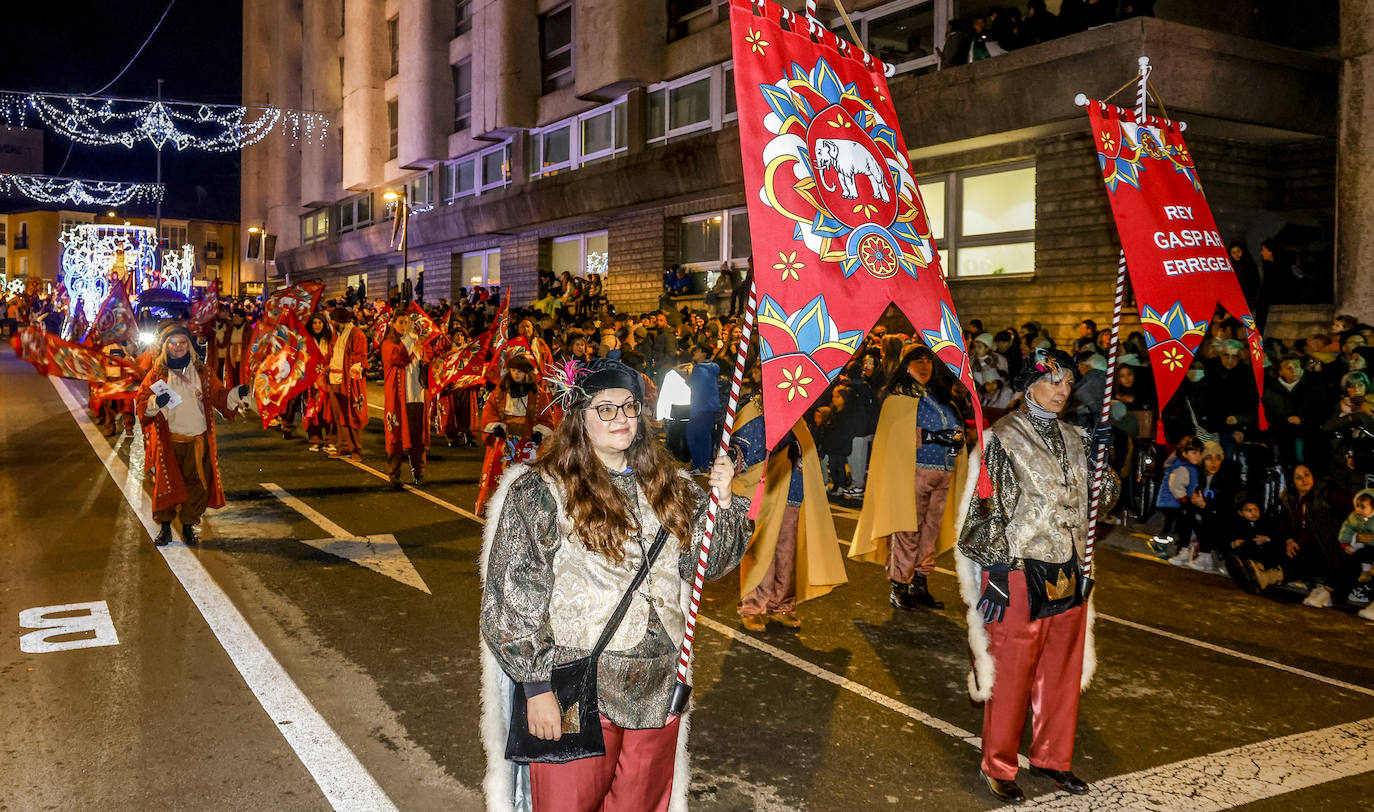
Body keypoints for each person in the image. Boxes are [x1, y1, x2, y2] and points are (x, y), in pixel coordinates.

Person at [479, 358, 752, 812]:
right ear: (579, 418)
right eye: (605, 409)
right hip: (577, 684)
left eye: (629, 407)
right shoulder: (541, 490)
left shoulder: (672, 486)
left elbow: (706, 564)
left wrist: (722, 505)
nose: (621, 418)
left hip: (658, 684)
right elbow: (513, 594)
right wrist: (535, 688)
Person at [956, 347, 1117, 804]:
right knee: (1011, 673)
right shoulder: (1003, 438)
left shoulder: (1077, 437)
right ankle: (999, 764)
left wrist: (1106, 461)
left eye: (1069, 383)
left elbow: (1101, 505)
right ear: (1029, 386)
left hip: (1070, 566)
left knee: (1061, 670)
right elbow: (986, 509)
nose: (1063, 391)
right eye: (1054, 382)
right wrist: (997, 574)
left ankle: (1051, 757)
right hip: (1020, 567)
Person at [851, 346, 967, 611]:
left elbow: (956, 428)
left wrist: (957, 438)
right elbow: (900, 437)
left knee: (930, 532)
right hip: (912, 473)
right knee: (907, 531)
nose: (925, 365)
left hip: (943, 473)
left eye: (929, 361)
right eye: (918, 361)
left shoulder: (941, 397)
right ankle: (899, 585)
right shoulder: (898, 400)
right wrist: (934, 436)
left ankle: (920, 582)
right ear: (905, 365)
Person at [731, 370, 847, 632]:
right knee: (762, 550)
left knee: (787, 551)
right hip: (766, 492)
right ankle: (753, 606)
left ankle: (782, 604)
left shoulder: (796, 414)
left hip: (793, 491)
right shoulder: (755, 409)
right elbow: (741, 452)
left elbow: (805, 450)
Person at [135, 326, 254, 546]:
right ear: (165, 347)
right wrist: (154, 403)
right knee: (165, 485)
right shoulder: (156, 374)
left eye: (182, 343)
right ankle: (165, 528)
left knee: (197, 487)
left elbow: (219, 396)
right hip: (168, 442)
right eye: (173, 343)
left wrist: (237, 393)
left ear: (189, 345)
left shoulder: (203, 372)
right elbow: (141, 402)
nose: (178, 347)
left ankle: (189, 526)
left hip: (197, 441)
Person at [475, 354, 553, 515]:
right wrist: (496, 426)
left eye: (520, 371)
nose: (516, 374)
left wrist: (540, 433)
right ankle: (498, 508)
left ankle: (529, 509)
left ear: (527, 373)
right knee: (497, 470)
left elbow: (546, 418)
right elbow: (490, 412)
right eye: (513, 370)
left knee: (529, 473)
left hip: (529, 439)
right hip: (506, 439)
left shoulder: (538, 393)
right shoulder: (500, 392)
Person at [380, 313, 431, 488]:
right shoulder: (389, 344)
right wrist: (411, 339)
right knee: (396, 436)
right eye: (401, 322)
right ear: (393, 324)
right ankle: (394, 474)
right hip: (398, 399)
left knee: (418, 437)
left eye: (408, 323)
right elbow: (399, 357)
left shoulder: (418, 344)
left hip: (417, 397)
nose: (405, 326)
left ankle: (419, 472)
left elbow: (428, 363)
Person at [327, 307, 369, 461]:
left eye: (334, 321)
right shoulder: (336, 334)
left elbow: (360, 357)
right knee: (339, 416)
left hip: (349, 381)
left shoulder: (357, 334)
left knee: (353, 415)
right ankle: (344, 446)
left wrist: (354, 372)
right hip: (334, 379)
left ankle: (356, 449)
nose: (332, 324)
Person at [302, 313, 335, 453]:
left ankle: (331, 441)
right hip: (311, 382)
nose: (317, 325)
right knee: (312, 412)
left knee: (329, 412)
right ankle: (315, 440)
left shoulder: (329, 340)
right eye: (315, 323)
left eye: (320, 323)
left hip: (326, 381)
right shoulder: (305, 341)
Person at [685, 344, 719, 474]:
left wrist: (688, 379)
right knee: (705, 437)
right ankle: (704, 464)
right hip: (710, 408)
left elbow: (697, 389)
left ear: (704, 353)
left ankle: (700, 465)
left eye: (697, 351)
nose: (694, 353)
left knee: (694, 436)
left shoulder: (699, 369)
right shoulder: (713, 368)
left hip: (699, 408)